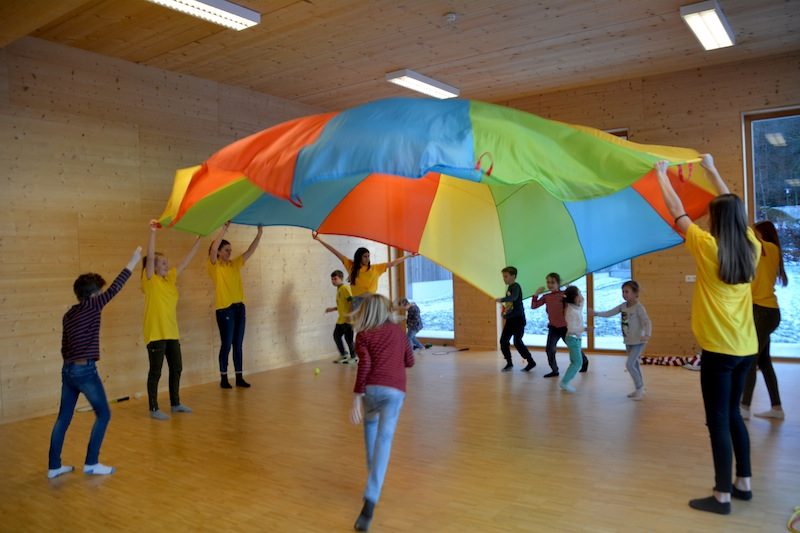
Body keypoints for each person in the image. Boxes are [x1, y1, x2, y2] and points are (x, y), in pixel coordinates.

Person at [655, 155, 760, 515]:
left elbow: (675, 209)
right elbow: (732, 202)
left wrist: (659, 175)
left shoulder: (707, 247)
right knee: (733, 415)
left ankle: (722, 496)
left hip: (719, 352)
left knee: (718, 420)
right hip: (747, 349)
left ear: (717, 220)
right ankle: (743, 484)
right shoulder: (752, 246)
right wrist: (713, 170)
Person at [47, 246, 142, 479]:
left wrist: (71, 365)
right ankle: (91, 463)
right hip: (85, 371)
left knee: (63, 418)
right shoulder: (94, 305)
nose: (102, 294)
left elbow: (63, 345)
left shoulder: (70, 313)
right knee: (104, 414)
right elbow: (117, 286)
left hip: (68, 370)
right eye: (100, 291)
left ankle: (54, 466)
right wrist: (134, 260)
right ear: (92, 295)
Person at [349, 293, 415, 532]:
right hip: (394, 392)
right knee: (384, 440)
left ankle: (373, 477)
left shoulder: (363, 334)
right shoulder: (398, 331)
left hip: (371, 392)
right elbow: (410, 361)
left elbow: (364, 365)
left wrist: (357, 398)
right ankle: (370, 500)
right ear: (386, 310)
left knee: (370, 428)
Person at [142, 221, 201, 420]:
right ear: (154, 267)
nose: (168, 265)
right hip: (156, 334)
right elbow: (150, 257)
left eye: (167, 262)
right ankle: (153, 408)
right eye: (164, 263)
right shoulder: (150, 281)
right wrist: (152, 232)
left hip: (171, 332)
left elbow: (185, 262)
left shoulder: (170, 279)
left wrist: (199, 240)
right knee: (156, 372)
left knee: (177, 368)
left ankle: (175, 403)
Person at [741, 220, 786, 420]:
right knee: (764, 361)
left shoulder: (762, 249)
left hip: (760, 312)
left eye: (755, 233)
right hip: (770, 312)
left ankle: (744, 407)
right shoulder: (774, 250)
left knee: (750, 360)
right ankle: (777, 408)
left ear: (761, 235)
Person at [208, 221, 263, 389]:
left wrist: (259, 234)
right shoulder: (215, 266)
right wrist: (224, 229)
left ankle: (239, 377)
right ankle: (224, 378)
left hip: (239, 308)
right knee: (227, 344)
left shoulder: (234, 264)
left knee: (237, 344)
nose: (229, 253)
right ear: (219, 252)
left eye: (230, 250)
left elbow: (250, 251)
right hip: (224, 309)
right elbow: (212, 249)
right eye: (226, 250)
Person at [312, 231, 415, 306]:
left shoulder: (376, 268)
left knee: (371, 328)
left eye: (368, 256)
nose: (367, 258)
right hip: (357, 301)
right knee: (362, 330)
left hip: (371, 301)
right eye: (365, 256)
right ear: (359, 257)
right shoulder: (351, 266)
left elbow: (392, 263)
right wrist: (319, 240)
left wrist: (407, 256)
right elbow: (335, 252)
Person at [591, 280, 652, 400]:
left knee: (629, 364)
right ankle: (639, 389)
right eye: (623, 291)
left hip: (639, 341)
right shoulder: (623, 306)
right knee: (634, 364)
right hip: (628, 341)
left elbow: (647, 322)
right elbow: (610, 313)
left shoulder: (639, 307)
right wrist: (596, 313)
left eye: (627, 291)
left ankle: (639, 388)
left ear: (635, 293)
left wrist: (647, 334)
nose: (624, 294)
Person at [531, 272, 589, 377]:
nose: (550, 285)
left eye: (552, 282)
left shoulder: (563, 295)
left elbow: (578, 301)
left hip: (565, 328)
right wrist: (536, 294)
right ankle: (554, 370)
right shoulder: (546, 296)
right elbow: (534, 306)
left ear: (558, 283)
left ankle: (584, 361)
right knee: (549, 349)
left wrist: (569, 287)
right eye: (548, 282)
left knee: (573, 347)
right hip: (553, 327)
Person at [495, 266, 536, 372]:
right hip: (511, 319)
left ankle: (531, 361)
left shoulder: (516, 286)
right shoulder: (509, 287)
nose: (504, 279)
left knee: (517, 341)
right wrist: (505, 314)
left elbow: (513, 297)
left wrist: (502, 299)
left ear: (513, 276)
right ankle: (509, 363)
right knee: (503, 341)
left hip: (518, 319)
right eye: (503, 277)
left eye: (506, 276)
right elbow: (510, 305)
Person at [325, 270, 356, 365]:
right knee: (336, 336)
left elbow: (352, 302)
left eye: (335, 279)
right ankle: (343, 354)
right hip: (341, 319)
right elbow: (343, 304)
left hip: (348, 319)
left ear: (341, 279)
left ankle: (354, 357)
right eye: (332, 279)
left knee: (349, 339)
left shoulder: (345, 288)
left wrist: (350, 316)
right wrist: (333, 309)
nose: (333, 281)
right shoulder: (338, 289)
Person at [560, 285, 585, 393]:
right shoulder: (570, 311)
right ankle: (564, 382)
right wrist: (584, 329)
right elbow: (572, 328)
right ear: (574, 298)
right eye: (579, 294)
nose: (581, 296)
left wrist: (569, 287)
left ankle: (565, 382)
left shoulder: (577, 307)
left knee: (574, 362)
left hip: (577, 339)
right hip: (572, 338)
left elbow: (582, 300)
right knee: (578, 362)